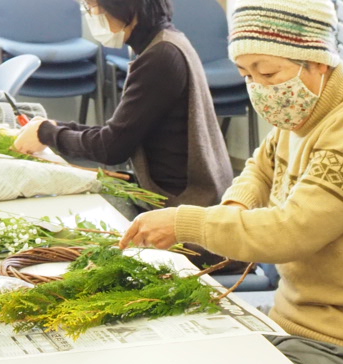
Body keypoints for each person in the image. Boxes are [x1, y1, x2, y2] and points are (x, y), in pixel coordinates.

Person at [118, 0, 343, 364]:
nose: (259, 87)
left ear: (316, 61)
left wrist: (185, 222)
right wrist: (232, 208)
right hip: (296, 325)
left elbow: (291, 232)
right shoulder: (303, 112)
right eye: (247, 75)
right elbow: (259, 169)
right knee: (177, 360)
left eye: (267, 72)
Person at [12, 0, 233, 209]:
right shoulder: (167, 40)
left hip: (177, 202)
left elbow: (111, 148)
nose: (94, 16)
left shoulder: (160, 57)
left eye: (93, 7)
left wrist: (47, 133)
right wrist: (54, 127)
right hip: (178, 190)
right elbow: (119, 131)